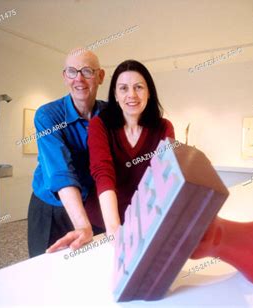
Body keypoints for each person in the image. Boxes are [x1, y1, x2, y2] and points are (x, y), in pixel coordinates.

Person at [47, 59, 175, 250]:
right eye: (123, 88)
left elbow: (162, 179)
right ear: (115, 95)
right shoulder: (100, 125)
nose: (131, 95)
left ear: (149, 92)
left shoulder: (164, 127)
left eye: (139, 87)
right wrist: (114, 230)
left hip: (143, 221)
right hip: (103, 221)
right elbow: (103, 173)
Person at [28, 48, 107, 258]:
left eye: (87, 71)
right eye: (72, 71)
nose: (79, 79)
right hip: (51, 207)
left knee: (91, 267)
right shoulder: (47, 115)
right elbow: (60, 172)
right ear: (65, 77)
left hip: (92, 205)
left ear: (100, 77)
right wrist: (82, 225)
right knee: (46, 272)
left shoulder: (110, 115)